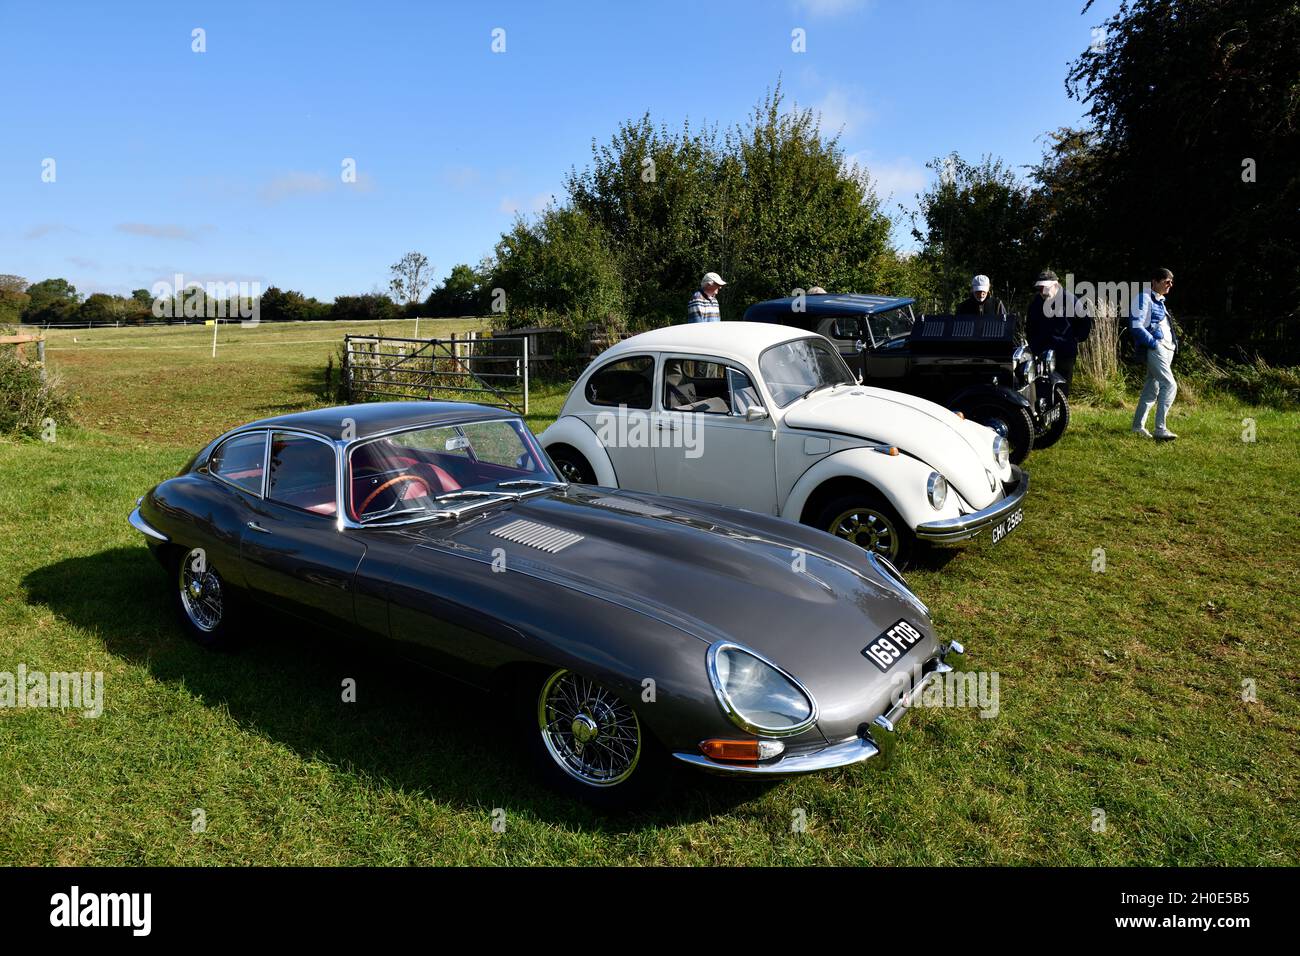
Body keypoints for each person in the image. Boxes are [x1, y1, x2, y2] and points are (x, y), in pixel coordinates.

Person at [1024, 269, 1092, 394]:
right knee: (1041, 389)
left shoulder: (1071, 300)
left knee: (1062, 389)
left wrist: (1075, 339)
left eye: (1045, 288)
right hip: (1041, 352)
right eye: (1039, 288)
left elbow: (1085, 323)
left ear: (1055, 285)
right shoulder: (1036, 303)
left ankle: (1062, 412)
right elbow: (1029, 326)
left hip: (1064, 353)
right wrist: (1034, 346)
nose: (1042, 292)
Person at [1130, 268, 1178, 440]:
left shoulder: (1160, 301)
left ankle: (1137, 427)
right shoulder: (1143, 298)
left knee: (1152, 388)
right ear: (1155, 281)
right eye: (1167, 281)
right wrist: (1154, 344)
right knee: (1170, 385)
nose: (1170, 285)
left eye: (1171, 282)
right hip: (1156, 348)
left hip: (1166, 349)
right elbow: (1136, 326)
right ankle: (1160, 428)